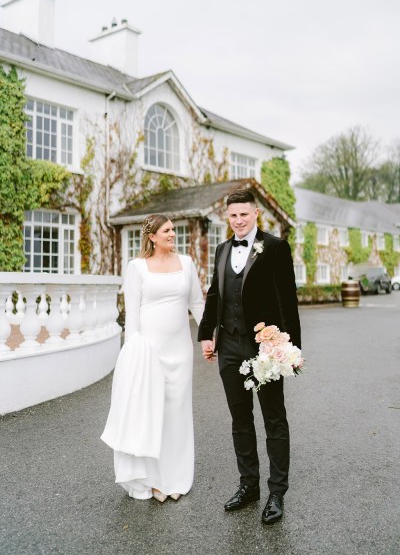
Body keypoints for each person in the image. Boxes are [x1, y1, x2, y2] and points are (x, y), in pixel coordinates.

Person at [198, 189, 301, 524]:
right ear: (227, 218)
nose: (238, 221)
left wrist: (291, 349)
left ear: (255, 213)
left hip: (265, 348)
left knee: (273, 418)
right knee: (240, 420)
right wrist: (205, 335)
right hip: (228, 347)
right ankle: (249, 485)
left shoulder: (274, 247)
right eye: (233, 216)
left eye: (244, 214)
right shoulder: (222, 249)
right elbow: (215, 294)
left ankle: (277, 492)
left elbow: (287, 300)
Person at [101, 214, 204, 503]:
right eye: (167, 230)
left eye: (173, 230)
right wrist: (131, 353)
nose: (173, 234)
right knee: (151, 412)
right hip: (149, 351)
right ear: (152, 236)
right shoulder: (137, 268)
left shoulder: (186, 264)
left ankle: (176, 477)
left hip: (180, 351)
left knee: (177, 413)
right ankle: (154, 479)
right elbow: (132, 314)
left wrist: (211, 336)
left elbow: (197, 302)